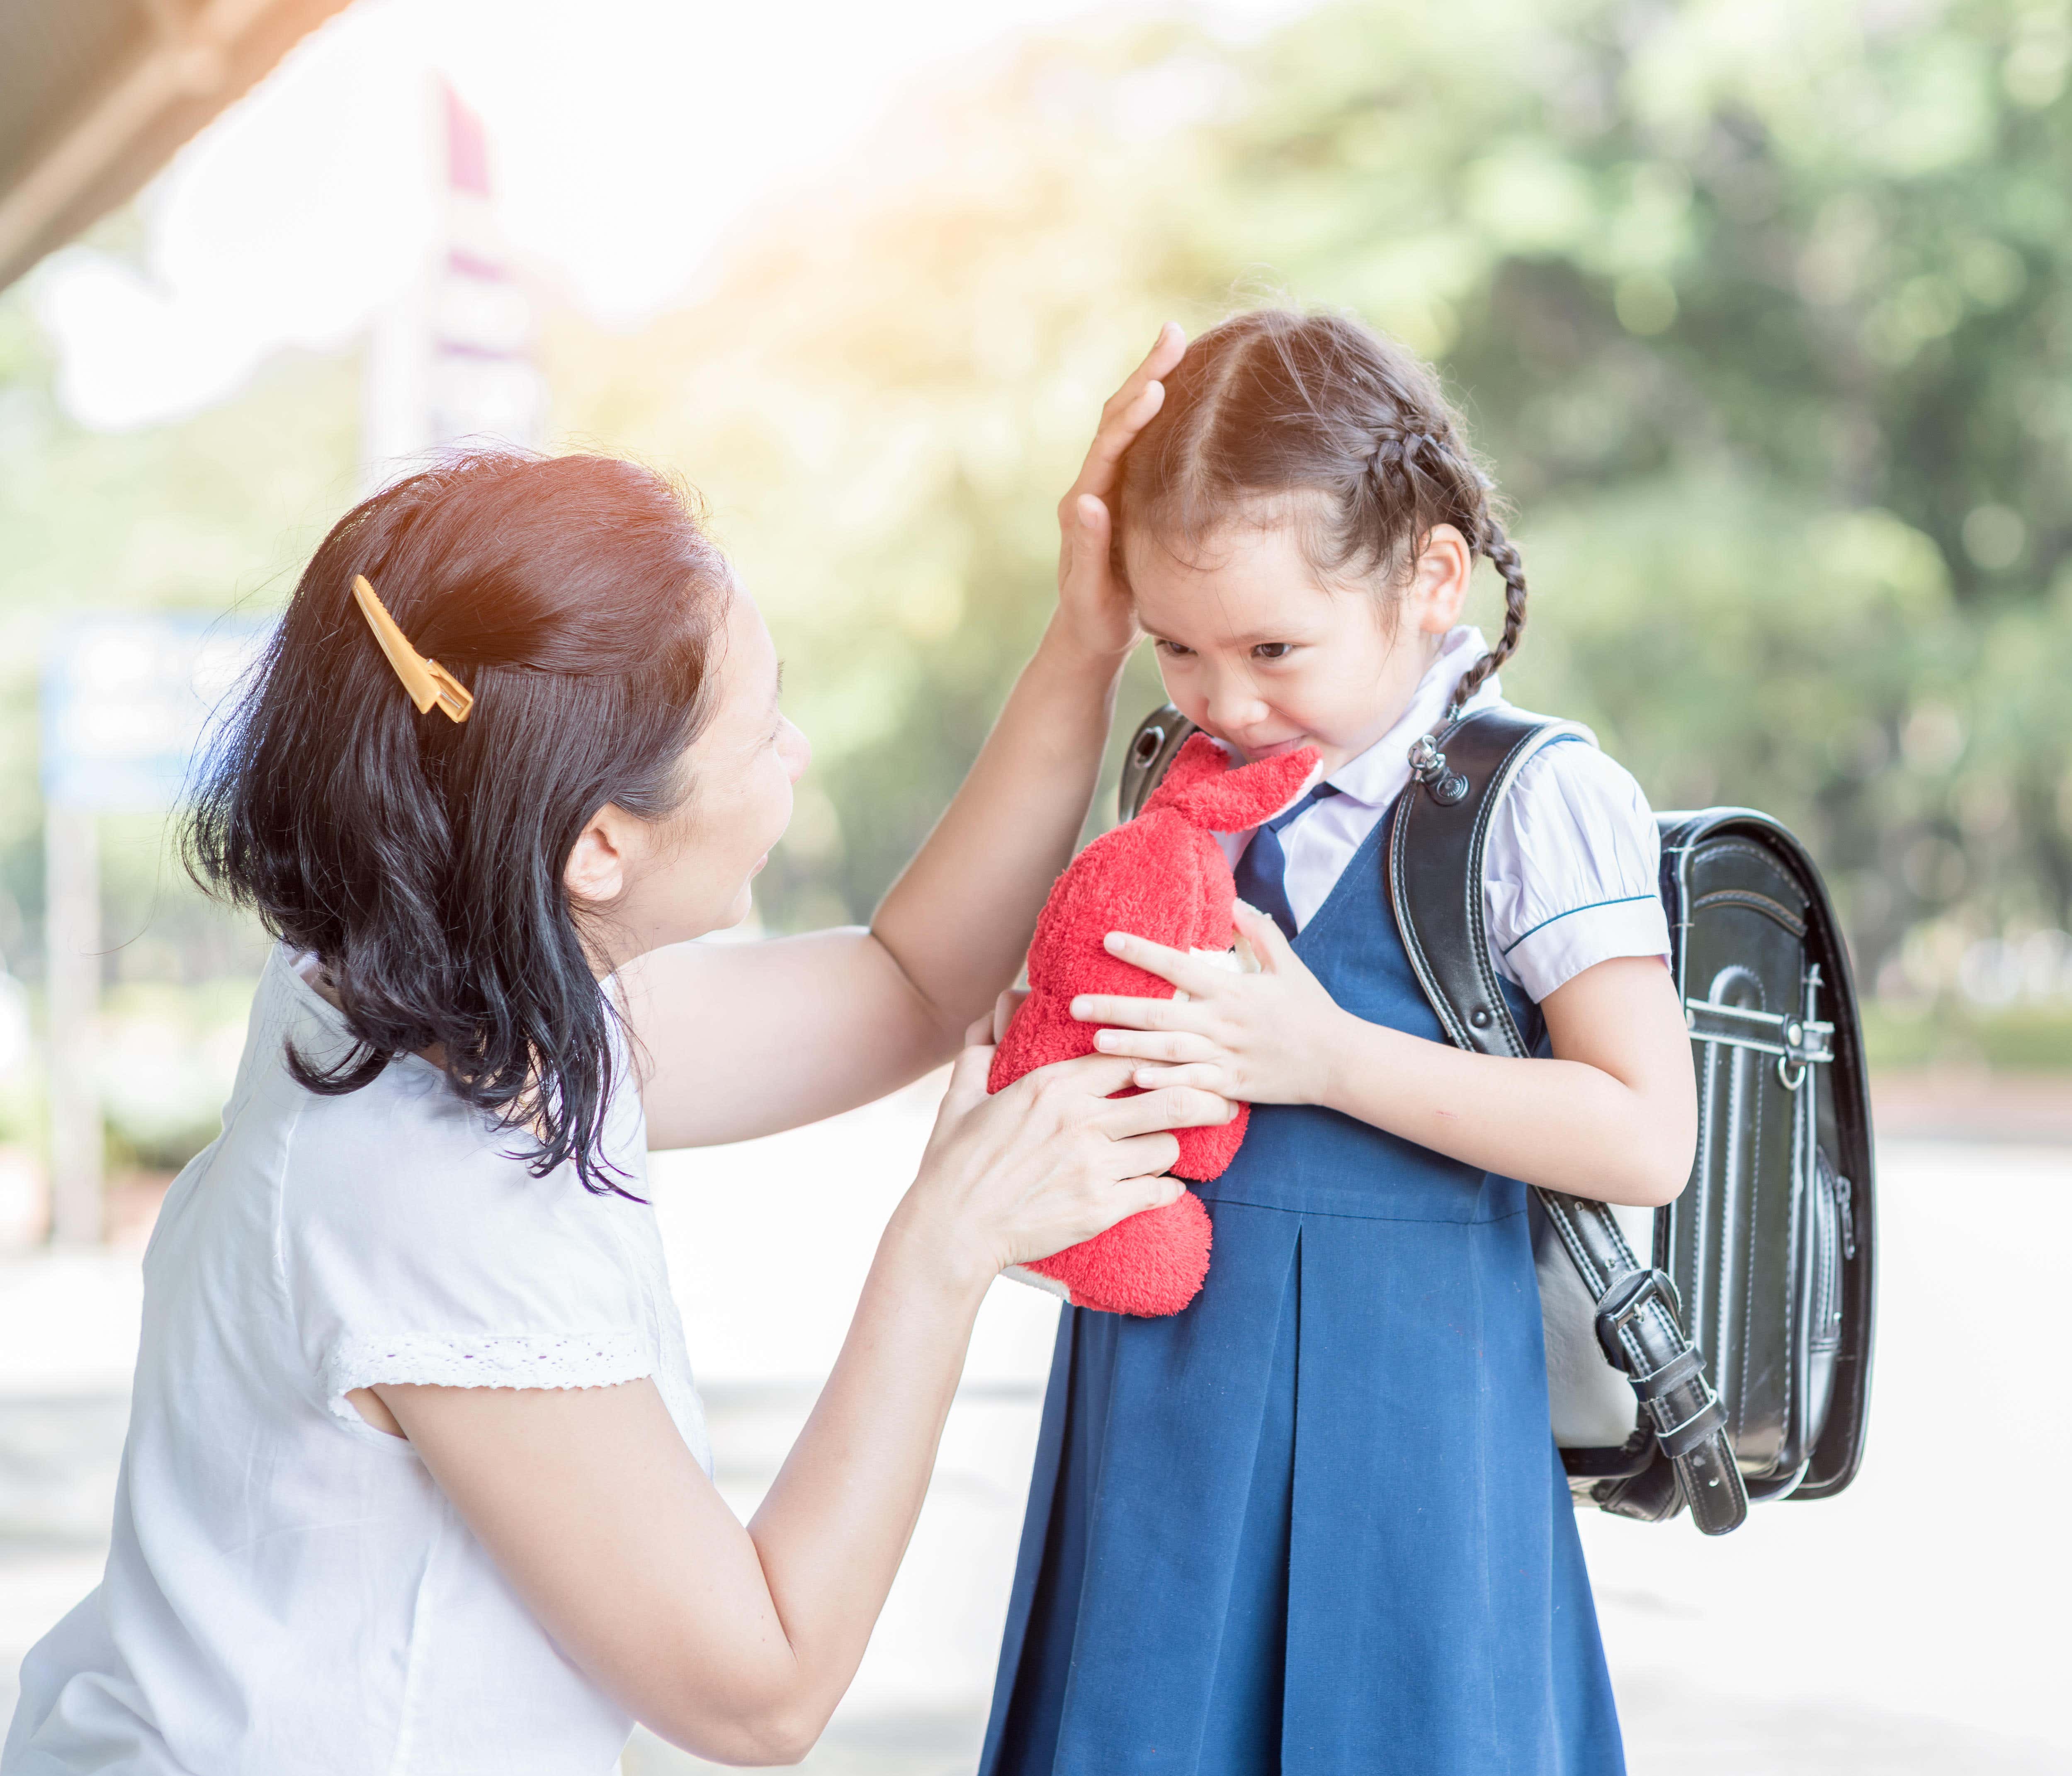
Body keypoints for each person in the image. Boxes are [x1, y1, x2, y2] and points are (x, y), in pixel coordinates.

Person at [2, 332, 1229, 1774]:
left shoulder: (416, 975)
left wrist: (1085, 642)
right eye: (764, 730)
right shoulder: (428, 1183)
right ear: (598, 844)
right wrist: (943, 1245)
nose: (799, 755)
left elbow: (905, 987)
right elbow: (756, 1691)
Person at [978, 310, 1702, 1776]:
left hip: (1416, 1426)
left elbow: (1644, 1130)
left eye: (1273, 648)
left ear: (1432, 580)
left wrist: (1326, 1059)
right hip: (1158, 1413)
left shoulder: (1528, 796)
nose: (1224, 700)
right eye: (1177, 646)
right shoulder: (1178, 786)